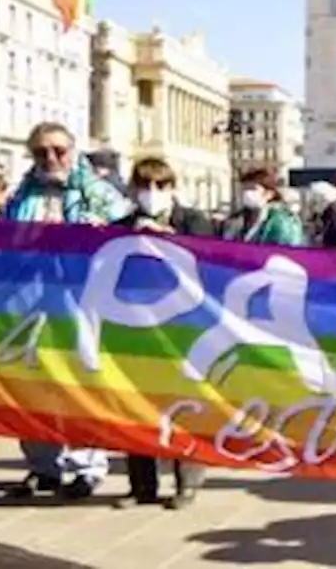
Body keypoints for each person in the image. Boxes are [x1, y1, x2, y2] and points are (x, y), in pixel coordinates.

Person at [2, 122, 129, 500]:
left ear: (73, 152)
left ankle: (87, 466)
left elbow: (125, 239)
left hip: (79, 303)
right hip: (28, 302)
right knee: (30, 386)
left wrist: (100, 231)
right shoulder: (21, 196)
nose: (51, 158)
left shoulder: (99, 196)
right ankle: (43, 466)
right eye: (41, 152)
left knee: (79, 384)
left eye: (58, 150)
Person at [110, 157, 214, 510]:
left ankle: (187, 481)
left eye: (160, 186)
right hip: (136, 328)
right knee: (136, 406)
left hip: (183, 328)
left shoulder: (194, 222)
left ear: (172, 188)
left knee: (185, 405)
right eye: (144, 186)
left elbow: (213, 266)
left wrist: (175, 244)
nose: (151, 194)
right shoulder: (122, 225)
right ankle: (141, 485)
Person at [227, 167, 306, 246]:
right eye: (244, 189)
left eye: (253, 189)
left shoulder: (282, 222)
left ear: (269, 194)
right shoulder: (239, 220)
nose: (247, 194)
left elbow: (286, 251)